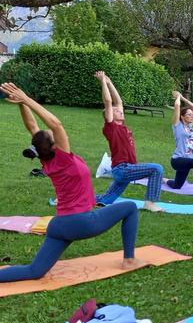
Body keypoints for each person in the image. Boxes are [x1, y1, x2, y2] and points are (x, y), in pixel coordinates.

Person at [0, 83, 143, 282]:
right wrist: (26, 99)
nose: (53, 133)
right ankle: (129, 260)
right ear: (53, 144)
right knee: (130, 208)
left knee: (34, 271)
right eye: (51, 136)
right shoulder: (63, 156)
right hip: (82, 223)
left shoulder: (45, 158)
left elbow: (33, 127)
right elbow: (55, 125)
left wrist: (20, 104)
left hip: (59, 226)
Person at [94, 71, 164, 212]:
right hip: (123, 169)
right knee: (157, 169)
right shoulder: (111, 127)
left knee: (105, 200)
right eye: (116, 111)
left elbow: (118, 101)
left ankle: (73, 197)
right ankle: (150, 203)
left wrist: (109, 82)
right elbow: (108, 101)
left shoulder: (122, 126)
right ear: (109, 116)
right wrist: (102, 82)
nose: (120, 111)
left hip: (126, 170)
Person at [166, 91, 193, 196]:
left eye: (192, 115)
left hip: (187, 161)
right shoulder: (177, 125)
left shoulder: (190, 127)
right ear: (182, 117)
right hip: (177, 160)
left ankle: (164, 180)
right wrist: (178, 97)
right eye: (189, 115)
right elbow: (177, 105)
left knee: (177, 186)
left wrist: (183, 98)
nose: (192, 116)